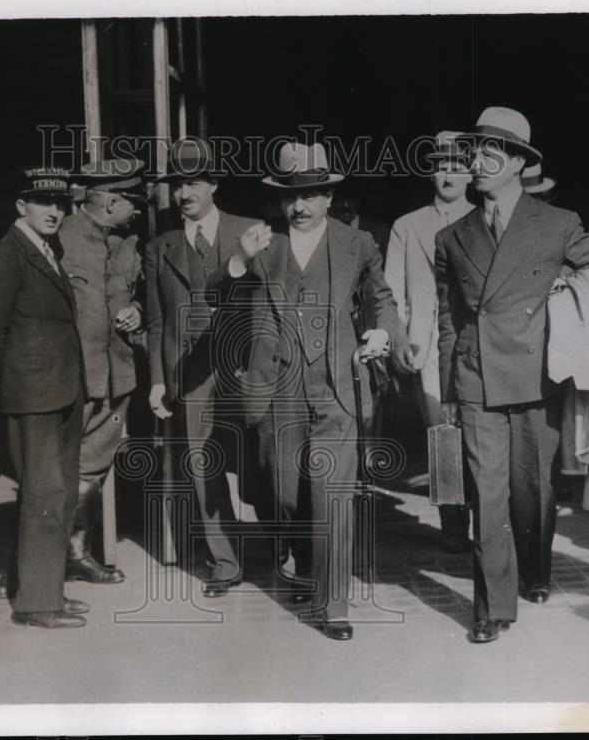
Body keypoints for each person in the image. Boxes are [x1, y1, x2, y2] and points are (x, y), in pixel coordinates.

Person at [435, 107, 589, 643]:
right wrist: (452, 385)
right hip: (476, 378)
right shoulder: (451, 237)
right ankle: (492, 607)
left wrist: (567, 298)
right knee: (485, 493)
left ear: (518, 161)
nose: (476, 160)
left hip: (539, 374)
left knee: (532, 489)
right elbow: (449, 317)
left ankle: (535, 569)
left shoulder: (557, 224)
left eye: (490, 149)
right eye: (473, 149)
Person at [229, 141, 407, 641]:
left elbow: (382, 298)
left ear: (330, 196)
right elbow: (223, 296)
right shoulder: (264, 247)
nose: (299, 207)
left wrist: (382, 331)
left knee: (332, 497)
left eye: (309, 195)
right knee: (284, 493)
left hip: (336, 388)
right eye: (290, 197)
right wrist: (239, 260)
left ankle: (334, 606)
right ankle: (302, 554)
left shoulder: (359, 244)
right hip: (276, 388)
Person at [0, 167, 89, 629]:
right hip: (32, 394)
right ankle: (37, 605)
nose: (54, 212)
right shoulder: (7, 255)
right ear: (21, 207)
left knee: (57, 494)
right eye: (43, 203)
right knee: (44, 495)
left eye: (60, 204)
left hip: (59, 389)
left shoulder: (43, 250)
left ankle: (45, 589)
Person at [144, 138, 260, 598]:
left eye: (193, 182)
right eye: (177, 185)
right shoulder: (161, 246)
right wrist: (157, 378)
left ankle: (284, 541)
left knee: (261, 460)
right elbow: (155, 321)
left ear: (214, 184)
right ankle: (226, 562)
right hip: (189, 374)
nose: (184, 192)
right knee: (202, 465)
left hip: (246, 368)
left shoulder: (250, 232)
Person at [59, 158, 146, 584]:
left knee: (91, 467)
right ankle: (34, 563)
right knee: (50, 469)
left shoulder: (129, 242)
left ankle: (77, 552)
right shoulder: (59, 238)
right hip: (70, 378)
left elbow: (140, 292)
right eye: (135, 200)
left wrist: (137, 310)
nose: (141, 209)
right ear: (111, 201)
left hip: (117, 376)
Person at [388, 131, 474, 553]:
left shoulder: (488, 218)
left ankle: (491, 521)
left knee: (482, 431)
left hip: (479, 344)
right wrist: (399, 341)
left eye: (457, 164)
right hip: (428, 345)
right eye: (440, 164)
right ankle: (454, 524)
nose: (448, 173)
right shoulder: (407, 226)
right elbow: (393, 293)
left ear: (472, 172)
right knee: (442, 433)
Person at [328, 187, 390, 261]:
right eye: (340, 199)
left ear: (358, 200)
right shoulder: (327, 230)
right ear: (332, 201)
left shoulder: (379, 231)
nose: (345, 205)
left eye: (350, 199)